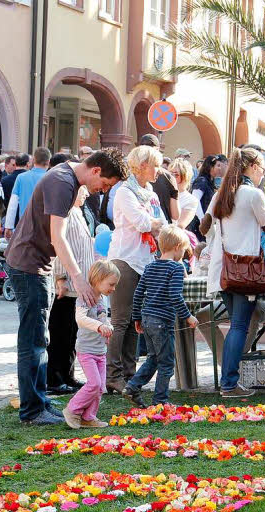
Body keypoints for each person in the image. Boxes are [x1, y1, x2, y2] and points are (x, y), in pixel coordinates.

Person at [5, 149, 128, 425]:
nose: (100, 191)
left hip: (35, 265)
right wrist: (77, 277)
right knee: (34, 341)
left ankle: (39, 402)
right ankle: (32, 411)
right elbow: (58, 236)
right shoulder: (63, 181)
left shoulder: (67, 179)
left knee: (40, 339)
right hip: (27, 266)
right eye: (105, 185)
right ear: (96, 170)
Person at [202, 146, 265, 398]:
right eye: (261, 170)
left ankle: (228, 380)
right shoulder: (251, 194)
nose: (262, 174)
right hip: (245, 271)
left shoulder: (222, 193)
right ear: (252, 167)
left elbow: (204, 227)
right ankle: (229, 383)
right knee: (239, 326)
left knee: (236, 325)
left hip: (223, 271)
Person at [105, 145, 167, 393]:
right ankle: (113, 375)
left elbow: (162, 222)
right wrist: (154, 224)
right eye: (155, 165)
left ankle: (129, 374)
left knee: (134, 321)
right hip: (125, 260)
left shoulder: (149, 191)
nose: (158, 171)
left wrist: (155, 224)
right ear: (142, 165)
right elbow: (143, 223)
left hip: (144, 262)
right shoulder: (124, 192)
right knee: (121, 321)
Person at [122, 227, 198, 407]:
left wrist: (137, 318)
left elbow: (138, 294)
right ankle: (160, 401)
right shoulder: (176, 268)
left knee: (154, 358)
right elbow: (175, 295)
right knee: (166, 363)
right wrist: (188, 316)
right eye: (184, 250)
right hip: (163, 322)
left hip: (148, 319)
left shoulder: (149, 267)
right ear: (178, 247)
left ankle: (132, 386)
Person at [47, 186, 97, 394]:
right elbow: (59, 245)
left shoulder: (79, 212)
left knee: (71, 334)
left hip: (80, 285)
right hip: (67, 285)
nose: (85, 194)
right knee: (60, 333)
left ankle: (68, 374)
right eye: (82, 190)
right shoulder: (65, 211)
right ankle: (54, 378)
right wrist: (60, 278)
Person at [63, 259, 121, 429]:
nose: (114, 288)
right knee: (94, 383)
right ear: (98, 279)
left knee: (100, 387)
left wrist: (107, 327)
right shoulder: (84, 298)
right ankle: (72, 409)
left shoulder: (102, 299)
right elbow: (80, 319)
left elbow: (103, 317)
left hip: (99, 351)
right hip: (86, 350)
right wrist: (99, 327)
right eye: (111, 284)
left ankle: (89, 417)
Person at [3, 147, 50, 232]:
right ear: (48, 161)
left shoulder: (21, 177)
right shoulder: (51, 178)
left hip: (24, 225)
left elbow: (13, 204)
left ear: (33, 160)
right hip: (45, 227)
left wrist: (8, 226)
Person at [137, 134, 179, 221]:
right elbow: (175, 215)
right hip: (160, 229)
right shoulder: (169, 177)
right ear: (158, 151)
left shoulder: (132, 175)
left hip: (137, 228)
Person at [189, 154, 225, 237]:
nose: (220, 168)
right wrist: (202, 219)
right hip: (198, 224)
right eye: (218, 165)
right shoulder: (202, 181)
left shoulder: (210, 182)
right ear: (210, 167)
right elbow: (195, 200)